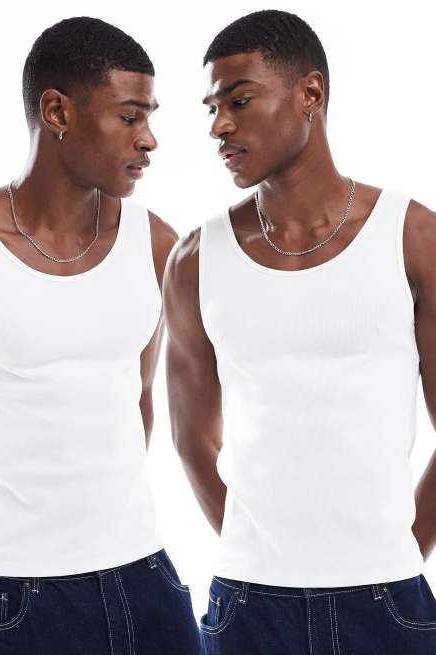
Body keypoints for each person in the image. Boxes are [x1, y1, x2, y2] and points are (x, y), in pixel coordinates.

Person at [0, 16, 199, 655]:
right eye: (129, 116)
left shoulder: (157, 245)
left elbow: (136, 399)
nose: (149, 139)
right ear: (57, 112)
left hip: (147, 580)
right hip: (16, 595)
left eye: (149, 117)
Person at [164, 9, 436, 654]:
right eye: (212, 109)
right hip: (247, 607)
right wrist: (257, 556)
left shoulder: (413, 237)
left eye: (239, 101)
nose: (219, 125)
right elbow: (192, 438)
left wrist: (396, 553)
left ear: (309, 93)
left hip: (389, 601)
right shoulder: (195, 258)